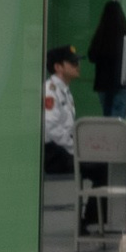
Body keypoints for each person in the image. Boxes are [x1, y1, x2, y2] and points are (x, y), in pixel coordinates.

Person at [86, 0, 126, 117]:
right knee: (118, 119)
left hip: (104, 84)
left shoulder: (101, 36)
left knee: (106, 116)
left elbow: (91, 56)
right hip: (122, 84)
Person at [42, 45, 81, 177]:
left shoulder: (64, 90)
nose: (77, 65)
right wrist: (74, 149)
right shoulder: (50, 91)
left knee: (102, 165)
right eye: (73, 62)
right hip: (54, 152)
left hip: (63, 148)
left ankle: (94, 198)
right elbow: (50, 128)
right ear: (58, 67)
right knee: (99, 167)